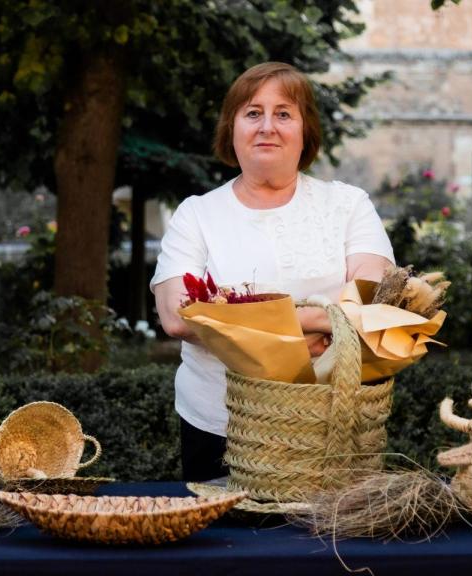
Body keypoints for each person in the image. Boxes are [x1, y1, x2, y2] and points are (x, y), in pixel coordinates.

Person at [150, 62, 394, 481]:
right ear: (232, 129)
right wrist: (316, 324)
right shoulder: (197, 214)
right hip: (219, 426)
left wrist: (236, 320)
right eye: (252, 113)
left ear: (305, 131)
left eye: (283, 113)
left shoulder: (349, 206)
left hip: (331, 425)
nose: (267, 126)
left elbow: (373, 298)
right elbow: (176, 316)